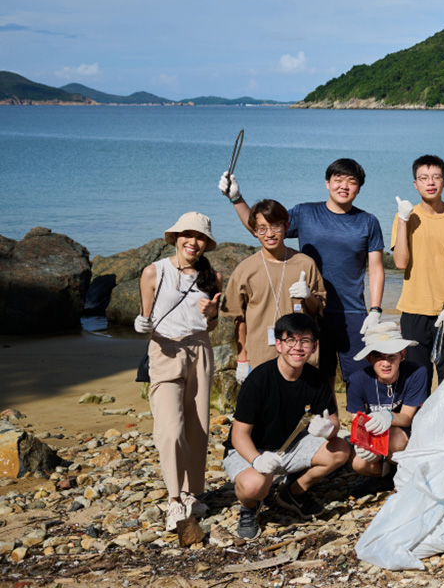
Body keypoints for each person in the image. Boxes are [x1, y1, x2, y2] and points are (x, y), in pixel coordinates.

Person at [220, 159, 385, 387]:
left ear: (359, 187)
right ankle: (325, 420)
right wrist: (236, 199)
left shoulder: (368, 222)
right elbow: (265, 228)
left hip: (352, 311)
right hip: (311, 312)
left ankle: (361, 421)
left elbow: (376, 267)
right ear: (327, 183)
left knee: (360, 378)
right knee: (318, 378)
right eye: (338, 180)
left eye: (351, 182)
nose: (344, 186)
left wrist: (375, 310)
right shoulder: (305, 213)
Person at [223, 313, 350, 539]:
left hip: (290, 446)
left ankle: (293, 491)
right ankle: (249, 508)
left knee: (340, 449)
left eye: (305, 341)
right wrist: (256, 460)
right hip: (251, 450)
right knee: (255, 485)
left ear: (314, 346)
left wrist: (328, 429)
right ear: (278, 344)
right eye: (291, 340)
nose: (298, 347)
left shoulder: (317, 379)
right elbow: (239, 435)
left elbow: (334, 421)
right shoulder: (258, 380)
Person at [134, 212, 223, 531]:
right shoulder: (153, 272)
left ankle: (189, 493)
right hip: (165, 350)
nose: (193, 241)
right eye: (187, 235)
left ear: (206, 243)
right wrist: (139, 323)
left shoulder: (214, 277)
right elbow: (145, 319)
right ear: (175, 237)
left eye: (200, 237)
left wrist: (213, 314)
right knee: (170, 429)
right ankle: (173, 501)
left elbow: (211, 325)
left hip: (200, 351)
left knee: (197, 427)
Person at [222, 199, 326, 383]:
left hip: (300, 357)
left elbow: (318, 309)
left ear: (286, 226)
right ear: (254, 231)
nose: (269, 234)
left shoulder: (305, 263)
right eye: (262, 228)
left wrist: (308, 296)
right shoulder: (245, 269)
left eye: (275, 226)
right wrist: (242, 360)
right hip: (261, 357)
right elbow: (239, 318)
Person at [390, 155, 444, 391]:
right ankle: (417, 428)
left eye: (435, 177)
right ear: (415, 184)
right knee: (415, 379)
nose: (430, 182)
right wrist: (403, 219)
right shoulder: (406, 216)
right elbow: (400, 262)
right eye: (423, 178)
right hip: (413, 310)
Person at [347, 322, 429, 495]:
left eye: (391, 356)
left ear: (402, 355)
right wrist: (361, 444)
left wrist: (387, 416)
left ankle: (408, 472)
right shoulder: (357, 380)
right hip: (375, 434)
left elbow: (407, 417)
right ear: (369, 358)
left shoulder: (417, 372)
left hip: (409, 433)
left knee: (394, 437)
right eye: (378, 357)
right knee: (358, 463)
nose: (385, 363)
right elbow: (357, 421)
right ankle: (389, 475)